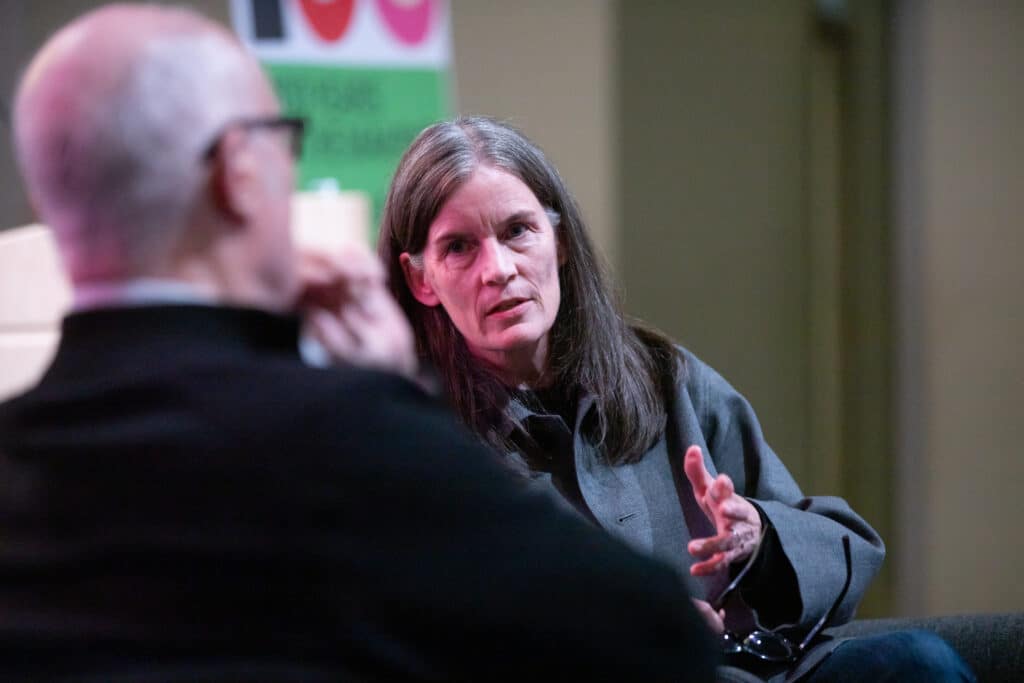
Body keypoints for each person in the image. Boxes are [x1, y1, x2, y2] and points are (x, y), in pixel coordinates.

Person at [0, 7, 717, 680]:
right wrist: (396, 407)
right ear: (239, 174)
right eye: (283, 142)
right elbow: (655, 639)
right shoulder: (336, 444)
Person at [377, 116, 976, 683]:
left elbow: (837, 547)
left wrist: (758, 539)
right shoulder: (416, 431)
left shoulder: (662, 375)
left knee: (919, 662)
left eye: (518, 231)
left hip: (752, 668)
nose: (500, 269)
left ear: (558, 240)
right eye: (460, 248)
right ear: (420, 278)